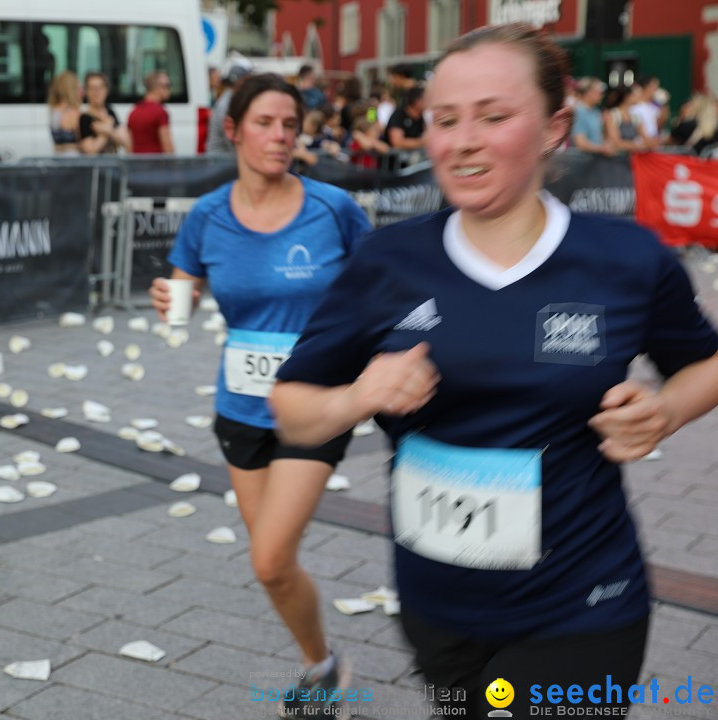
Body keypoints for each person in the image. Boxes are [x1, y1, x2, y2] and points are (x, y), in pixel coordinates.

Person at [270, 23, 718, 718]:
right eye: (445, 120)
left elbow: (707, 366)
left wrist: (664, 411)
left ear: (553, 128)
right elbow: (292, 406)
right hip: (435, 608)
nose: (463, 141)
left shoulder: (626, 259)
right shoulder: (386, 263)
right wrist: (357, 396)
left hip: (583, 603)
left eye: (494, 116)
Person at [150, 73, 372, 718]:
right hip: (241, 407)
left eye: (290, 125)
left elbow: (383, 285)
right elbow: (181, 296)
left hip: (317, 407)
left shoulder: (333, 209)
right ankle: (322, 662)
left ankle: (322, 672)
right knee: (273, 565)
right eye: (266, 123)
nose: (280, 137)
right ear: (234, 130)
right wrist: (170, 299)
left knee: (270, 557)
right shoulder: (207, 216)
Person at [206, 60, 253, 154]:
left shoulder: (232, 99)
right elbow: (233, 143)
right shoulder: (227, 104)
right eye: (248, 79)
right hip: (220, 163)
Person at [78, 72, 129, 155]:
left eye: (100, 87)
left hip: (112, 164)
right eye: (92, 88)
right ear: (86, 91)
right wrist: (106, 132)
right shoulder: (84, 118)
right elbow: (90, 151)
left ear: (106, 90)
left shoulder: (110, 112)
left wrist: (107, 130)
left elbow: (126, 142)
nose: (97, 92)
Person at [128, 71, 174, 154]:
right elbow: (168, 148)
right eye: (167, 86)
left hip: (136, 163)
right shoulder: (160, 112)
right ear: (157, 87)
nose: (169, 90)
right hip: (156, 164)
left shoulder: (134, 111)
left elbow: (129, 144)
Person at [571, 76, 614, 155]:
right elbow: (581, 144)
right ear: (589, 93)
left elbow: (599, 137)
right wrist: (603, 149)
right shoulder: (578, 112)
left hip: (593, 161)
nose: (602, 95)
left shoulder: (596, 111)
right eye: (599, 92)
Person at [47, 70, 82, 155]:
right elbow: (83, 142)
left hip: (58, 157)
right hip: (73, 159)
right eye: (78, 87)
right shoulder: (73, 113)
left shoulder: (54, 111)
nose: (81, 91)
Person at [603, 86, 644, 153]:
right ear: (627, 96)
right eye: (637, 94)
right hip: (615, 159)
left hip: (629, 158)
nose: (640, 96)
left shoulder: (635, 117)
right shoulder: (612, 115)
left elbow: (645, 137)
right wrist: (640, 146)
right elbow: (616, 142)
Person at [384, 85, 425, 150]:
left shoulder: (422, 117)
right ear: (417, 101)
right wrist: (422, 142)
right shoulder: (399, 115)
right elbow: (397, 142)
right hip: (396, 158)